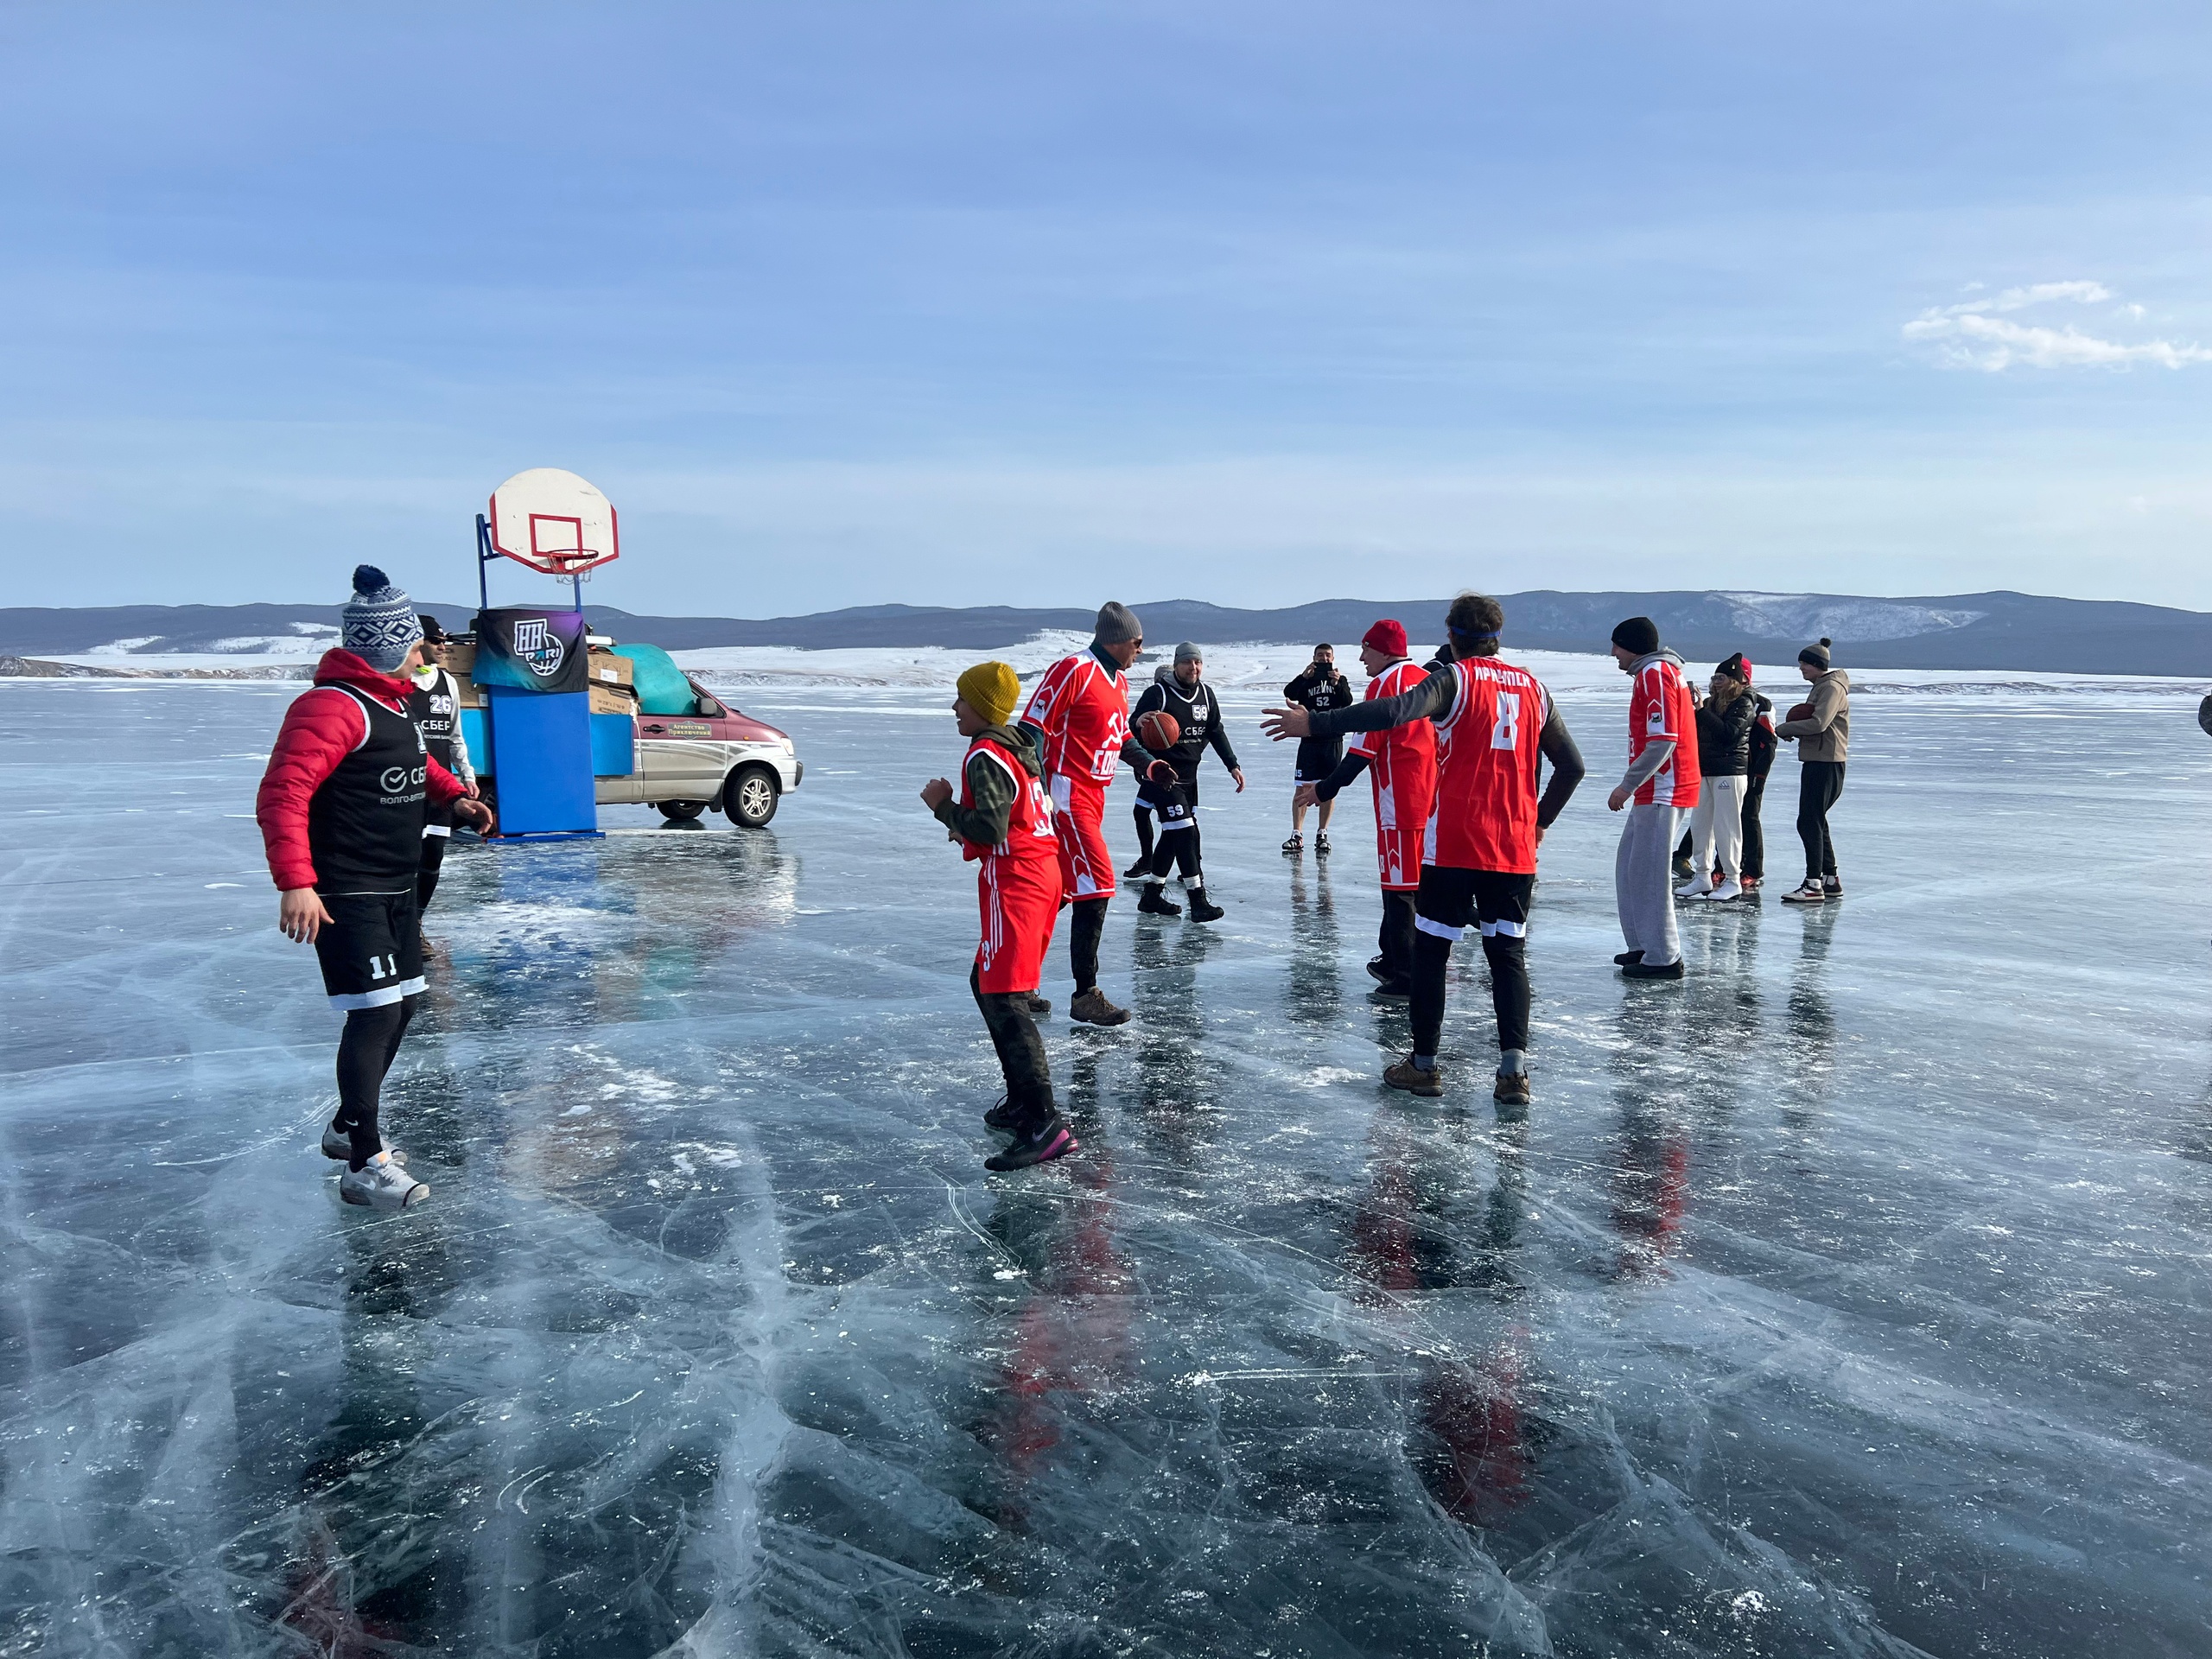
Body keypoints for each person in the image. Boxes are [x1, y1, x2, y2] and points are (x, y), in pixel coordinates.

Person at [1267, 593, 1585, 1107]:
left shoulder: (1455, 679)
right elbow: (1572, 767)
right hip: (1514, 849)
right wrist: (1539, 821)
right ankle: (1513, 1073)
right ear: (1497, 634)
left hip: (1456, 843)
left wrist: (1315, 724)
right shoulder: (1535, 688)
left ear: (1453, 635)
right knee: (1507, 956)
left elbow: (1393, 711)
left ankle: (1424, 1065)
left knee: (1434, 951)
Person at [255, 566, 494, 1211]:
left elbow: (416, 765)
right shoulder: (330, 707)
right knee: (377, 1012)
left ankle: (344, 1125)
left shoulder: (393, 702)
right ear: (388, 646)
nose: (425, 654)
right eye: (415, 643)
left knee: (406, 1005)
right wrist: (297, 883)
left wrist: (457, 800)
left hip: (395, 882)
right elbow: (284, 794)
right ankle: (364, 1163)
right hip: (347, 887)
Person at [921, 662, 1078, 1171]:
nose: (954, 708)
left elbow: (989, 828)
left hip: (1018, 884)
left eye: (961, 700)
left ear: (982, 708)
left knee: (1005, 995)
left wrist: (944, 807)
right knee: (985, 981)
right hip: (1040, 875)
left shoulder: (985, 756)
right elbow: (1013, 818)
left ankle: (1043, 1121)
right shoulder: (1017, 748)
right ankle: (1020, 1101)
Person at [1019, 601, 1173, 1025]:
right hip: (1066, 795)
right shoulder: (1073, 669)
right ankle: (1085, 993)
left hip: (1095, 795)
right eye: (1138, 642)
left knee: (1058, 891)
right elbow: (1031, 728)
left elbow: (1119, 736)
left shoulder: (1118, 681)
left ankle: (1019, 983)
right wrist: (1036, 789)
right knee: (1100, 883)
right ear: (1117, 638)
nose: (1142, 649)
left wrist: (1150, 764)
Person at [1300, 620, 1436, 997]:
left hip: (1400, 803)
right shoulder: (1426, 679)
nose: (1361, 657)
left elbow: (1362, 750)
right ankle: (1392, 957)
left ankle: (1405, 974)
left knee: (1399, 889)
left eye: (1366, 649)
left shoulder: (1383, 685)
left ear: (1384, 650)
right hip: (1432, 801)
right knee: (1415, 882)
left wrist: (1324, 789)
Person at [1605, 617, 1700, 979]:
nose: (1613, 653)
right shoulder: (1654, 673)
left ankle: (1663, 956)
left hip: (1664, 788)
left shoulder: (1654, 674)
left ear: (1633, 646)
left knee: (1648, 874)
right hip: (1655, 789)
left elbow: (1664, 739)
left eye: (1617, 645)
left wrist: (1626, 785)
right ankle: (1643, 945)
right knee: (1630, 867)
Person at [1127, 641, 1245, 920]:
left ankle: (1152, 895)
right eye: (1187, 663)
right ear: (1177, 664)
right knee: (1186, 834)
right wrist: (1138, 722)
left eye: (1198, 663)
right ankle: (1198, 901)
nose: (1193, 668)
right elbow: (1130, 727)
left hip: (1190, 777)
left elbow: (1215, 730)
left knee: (1172, 834)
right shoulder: (1157, 694)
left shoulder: (1206, 694)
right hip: (1163, 777)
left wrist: (1233, 765)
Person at [409, 615, 478, 938]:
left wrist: (467, 774)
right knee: (405, 859)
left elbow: (455, 736)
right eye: (436, 641)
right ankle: (402, 923)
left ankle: (417, 921)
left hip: (441, 787)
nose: (442, 647)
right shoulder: (401, 682)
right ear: (418, 642)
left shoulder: (446, 682)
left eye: (444, 641)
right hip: (405, 786)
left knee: (433, 856)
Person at [1776, 637, 1851, 904]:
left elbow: (1819, 723)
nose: (1801, 669)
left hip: (1826, 763)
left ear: (1817, 664)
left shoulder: (1830, 688)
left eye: (1805, 664)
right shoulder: (1823, 686)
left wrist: (1784, 729)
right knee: (1815, 820)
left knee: (1809, 821)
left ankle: (1813, 884)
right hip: (1819, 760)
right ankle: (1830, 879)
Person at [1677, 653, 1755, 902]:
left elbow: (1728, 734)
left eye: (1721, 677)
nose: (1716, 682)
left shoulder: (1744, 703)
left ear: (1735, 680)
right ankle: (1703, 875)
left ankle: (1733, 878)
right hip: (1706, 770)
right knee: (1700, 824)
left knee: (1727, 825)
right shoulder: (1711, 703)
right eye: (1714, 677)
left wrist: (1700, 710)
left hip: (1729, 772)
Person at [1282, 644, 1352, 855]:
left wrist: (1337, 683)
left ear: (1333, 658)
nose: (1323, 659)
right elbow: (1289, 693)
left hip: (1332, 741)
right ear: (1314, 657)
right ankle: (1297, 834)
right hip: (1309, 740)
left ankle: (1322, 833)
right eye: (1320, 655)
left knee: (1328, 788)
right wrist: (1303, 677)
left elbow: (1347, 701)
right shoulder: (1307, 679)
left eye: (1327, 656)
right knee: (1302, 787)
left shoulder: (1340, 680)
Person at [1123, 665, 1178, 878]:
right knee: (1147, 813)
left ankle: (1186, 865)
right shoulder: (1152, 697)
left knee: (1178, 820)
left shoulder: (1179, 700)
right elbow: (1131, 727)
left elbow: (1210, 730)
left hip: (1170, 769)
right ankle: (1149, 860)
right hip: (1154, 767)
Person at [1741, 672, 1777, 890]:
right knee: (1727, 819)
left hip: (1753, 771)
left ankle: (1754, 868)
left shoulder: (1761, 704)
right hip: (1730, 771)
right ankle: (1726, 865)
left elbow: (1768, 743)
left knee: (1750, 817)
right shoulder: (1722, 701)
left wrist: (1759, 776)